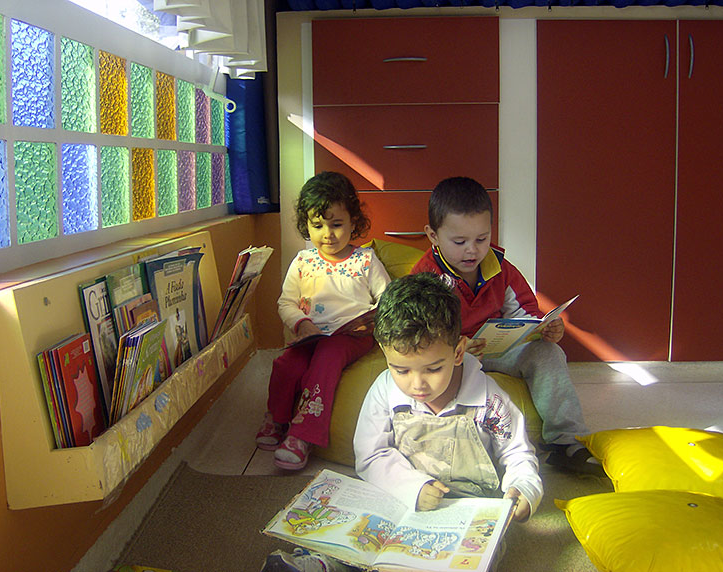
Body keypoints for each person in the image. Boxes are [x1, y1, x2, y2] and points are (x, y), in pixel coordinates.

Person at [410, 176, 603, 475]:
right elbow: (418, 332)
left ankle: (566, 441)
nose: (472, 251)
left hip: (500, 348)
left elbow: (524, 312)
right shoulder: (426, 275)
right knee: (448, 373)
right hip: (453, 356)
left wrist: (544, 329)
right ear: (433, 236)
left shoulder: (499, 267)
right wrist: (457, 345)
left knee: (548, 354)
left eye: (481, 239)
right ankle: (463, 452)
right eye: (459, 242)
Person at [354, 273, 543, 521]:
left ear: (458, 352)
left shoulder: (489, 400)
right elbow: (370, 455)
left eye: (433, 369)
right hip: (403, 499)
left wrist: (525, 490)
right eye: (401, 370)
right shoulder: (384, 390)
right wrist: (413, 488)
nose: (417, 384)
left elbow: (517, 453)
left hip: (470, 511)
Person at [256, 171, 391, 471]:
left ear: (354, 222)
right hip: (311, 335)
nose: (327, 234)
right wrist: (300, 324)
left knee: (327, 358)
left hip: (351, 336)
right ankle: (276, 418)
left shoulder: (366, 260)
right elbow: (286, 302)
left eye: (337, 224)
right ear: (306, 225)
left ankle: (302, 436)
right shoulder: (303, 262)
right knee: (285, 364)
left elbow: (387, 299)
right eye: (317, 225)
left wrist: (372, 321)